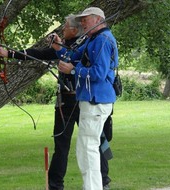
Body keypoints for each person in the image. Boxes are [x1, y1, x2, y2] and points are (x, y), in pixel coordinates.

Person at [0, 14, 112, 190]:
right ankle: (56, 185)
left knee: (92, 142)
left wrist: (72, 68)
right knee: (65, 144)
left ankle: (102, 182)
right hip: (68, 100)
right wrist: (10, 53)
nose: (61, 30)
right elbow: (40, 53)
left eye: (64, 27)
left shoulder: (88, 43)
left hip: (82, 99)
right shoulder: (75, 46)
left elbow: (92, 69)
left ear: (74, 30)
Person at [52, 7, 118, 190]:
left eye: (85, 19)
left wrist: (73, 70)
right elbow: (72, 55)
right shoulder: (93, 39)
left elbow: (98, 73)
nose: (82, 23)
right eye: (80, 20)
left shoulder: (102, 40)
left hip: (95, 102)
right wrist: (58, 47)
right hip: (91, 101)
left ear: (97, 20)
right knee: (86, 149)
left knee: (88, 149)